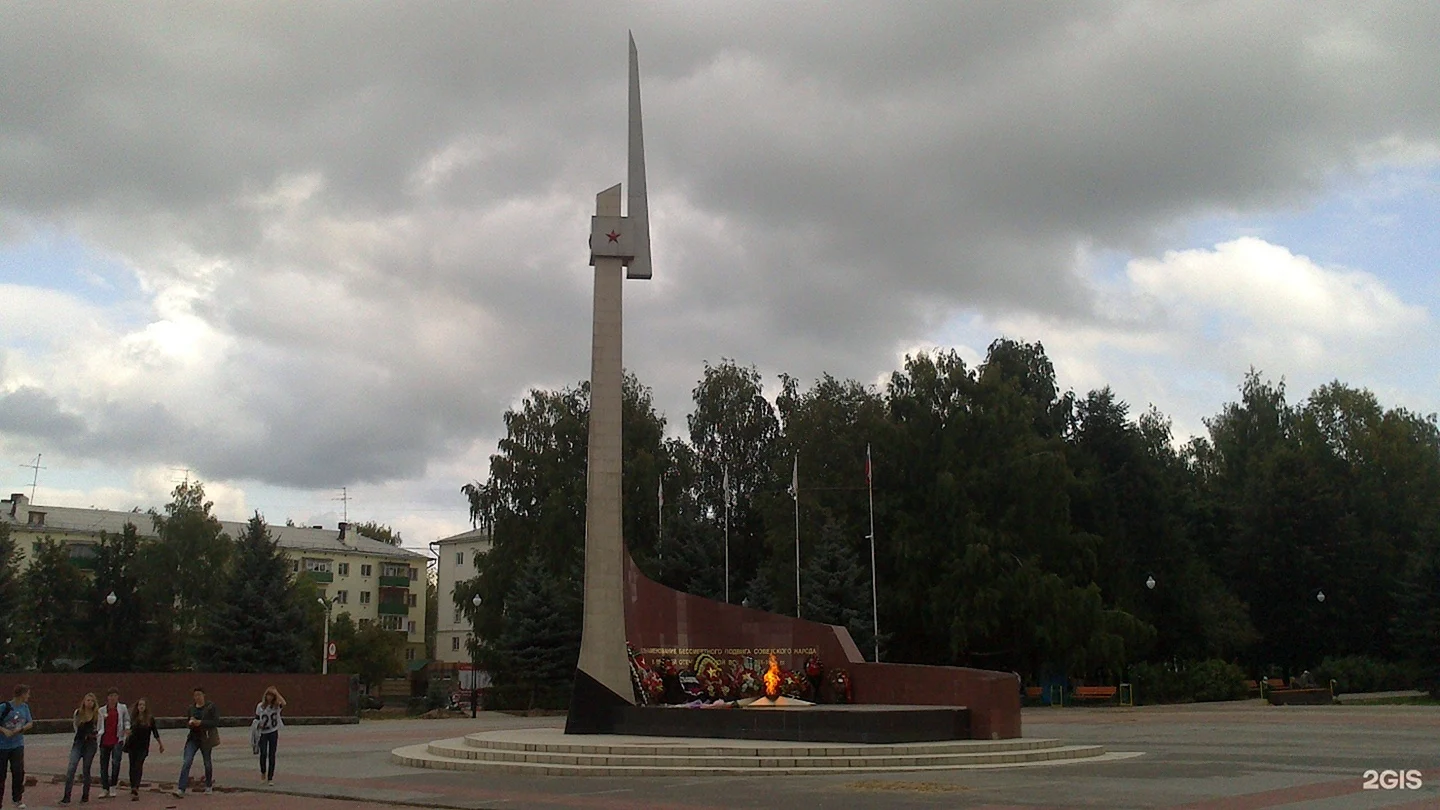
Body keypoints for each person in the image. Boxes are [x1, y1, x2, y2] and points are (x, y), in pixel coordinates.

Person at [173, 687, 218, 798]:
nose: (197, 697)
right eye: (195, 695)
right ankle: (181, 788)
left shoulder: (211, 707)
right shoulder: (191, 708)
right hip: (193, 738)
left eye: (199, 695)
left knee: (207, 762)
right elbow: (187, 722)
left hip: (205, 738)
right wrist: (190, 723)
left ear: (204, 695)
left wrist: (201, 723)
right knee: (187, 761)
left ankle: (208, 785)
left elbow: (215, 721)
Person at [60, 692, 99, 805]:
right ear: (84, 701)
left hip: (90, 744)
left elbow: (101, 728)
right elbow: (75, 726)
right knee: (71, 767)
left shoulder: (97, 714)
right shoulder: (78, 713)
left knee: (86, 769)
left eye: (92, 701)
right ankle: (66, 796)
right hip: (78, 742)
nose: (89, 703)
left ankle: (85, 795)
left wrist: (95, 735)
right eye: (87, 700)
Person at [1, 684, 35, 810]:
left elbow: (30, 723)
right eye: (27, 694)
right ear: (22, 694)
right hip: (2, 746)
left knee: (18, 771)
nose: (28, 696)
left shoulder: (25, 707)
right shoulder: (5, 707)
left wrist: (21, 729)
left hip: (17, 744)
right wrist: (4, 730)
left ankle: (17, 798)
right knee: (1, 774)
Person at [122, 697, 162, 802]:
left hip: (143, 746)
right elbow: (127, 729)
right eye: (140, 705)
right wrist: (126, 734)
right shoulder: (133, 717)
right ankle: (133, 786)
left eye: (143, 705)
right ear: (137, 706)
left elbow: (155, 732)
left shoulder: (150, 719)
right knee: (132, 765)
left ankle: (136, 786)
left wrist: (160, 744)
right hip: (132, 745)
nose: (141, 707)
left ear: (146, 707)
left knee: (139, 764)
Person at [95, 688, 130, 799]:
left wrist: (127, 728)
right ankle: (105, 788)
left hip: (117, 739)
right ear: (107, 697)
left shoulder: (122, 708)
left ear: (118, 697)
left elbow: (126, 720)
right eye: (110, 696)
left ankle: (113, 786)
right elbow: (99, 724)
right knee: (103, 765)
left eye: (115, 695)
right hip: (105, 739)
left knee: (116, 763)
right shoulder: (101, 710)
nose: (112, 698)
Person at [253, 687, 285, 785]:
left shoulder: (276, 706)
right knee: (263, 753)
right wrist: (258, 725)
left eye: (272, 696)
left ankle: (270, 777)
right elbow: (256, 719)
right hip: (263, 733)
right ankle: (263, 773)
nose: (269, 697)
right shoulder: (260, 706)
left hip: (273, 732)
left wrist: (277, 692)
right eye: (268, 695)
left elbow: (284, 703)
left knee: (272, 754)